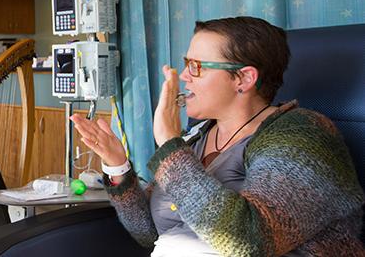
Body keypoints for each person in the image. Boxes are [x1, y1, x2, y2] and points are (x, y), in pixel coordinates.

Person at [72, 16, 364, 256]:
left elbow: (249, 241)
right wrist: (117, 165)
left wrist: (169, 144)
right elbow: (151, 232)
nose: (185, 76)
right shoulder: (197, 137)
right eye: (186, 64)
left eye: (196, 66)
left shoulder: (304, 134)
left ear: (244, 78)